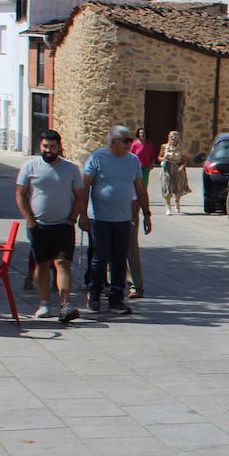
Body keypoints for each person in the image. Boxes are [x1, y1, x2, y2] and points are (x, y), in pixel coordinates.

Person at [15, 130, 85, 323]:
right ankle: (44, 303)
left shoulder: (71, 168)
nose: (48, 150)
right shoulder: (30, 166)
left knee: (63, 263)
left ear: (59, 147)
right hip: (39, 225)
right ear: (40, 146)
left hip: (64, 224)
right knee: (42, 264)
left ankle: (65, 305)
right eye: (45, 146)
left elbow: (79, 196)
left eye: (52, 147)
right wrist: (29, 219)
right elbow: (20, 195)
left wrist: (73, 218)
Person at [82, 125, 151, 315]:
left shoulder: (133, 161)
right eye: (127, 140)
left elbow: (140, 187)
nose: (131, 143)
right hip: (100, 218)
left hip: (123, 218)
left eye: (131, 140)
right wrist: (82, 214)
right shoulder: (97, 158)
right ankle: (94, 294)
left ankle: (116, 299)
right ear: (113, 142)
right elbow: (84, 186)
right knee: (100, 257)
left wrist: (146, 213)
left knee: (119, 259)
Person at [158, 130, 191, 215]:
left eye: (175, 136)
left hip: (177, 167)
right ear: (169, 137)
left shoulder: (181, 147)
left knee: (178, 187)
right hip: (167, 168)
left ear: (178, 138)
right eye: (172, 136)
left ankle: (177, 202)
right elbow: (159, 157)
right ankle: (168, 207)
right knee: (167, 186)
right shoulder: (164, 146)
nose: (173, 138)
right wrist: (163, 159)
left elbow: (185, 160)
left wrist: (182, 167)